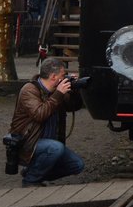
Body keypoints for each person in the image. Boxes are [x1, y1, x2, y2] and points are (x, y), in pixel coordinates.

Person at [8, 56, 86, 187]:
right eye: (63, 75)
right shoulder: (29, 90)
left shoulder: (57, 91)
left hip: (49, 143)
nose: (64, 78)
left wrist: (75, 89)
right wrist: (59, 94)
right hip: (28, 143)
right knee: (56, 148)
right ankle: (31, 181)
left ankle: (32, 172)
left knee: (77, 165)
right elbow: (39, 114)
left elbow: (74, 106)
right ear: (53, 77)